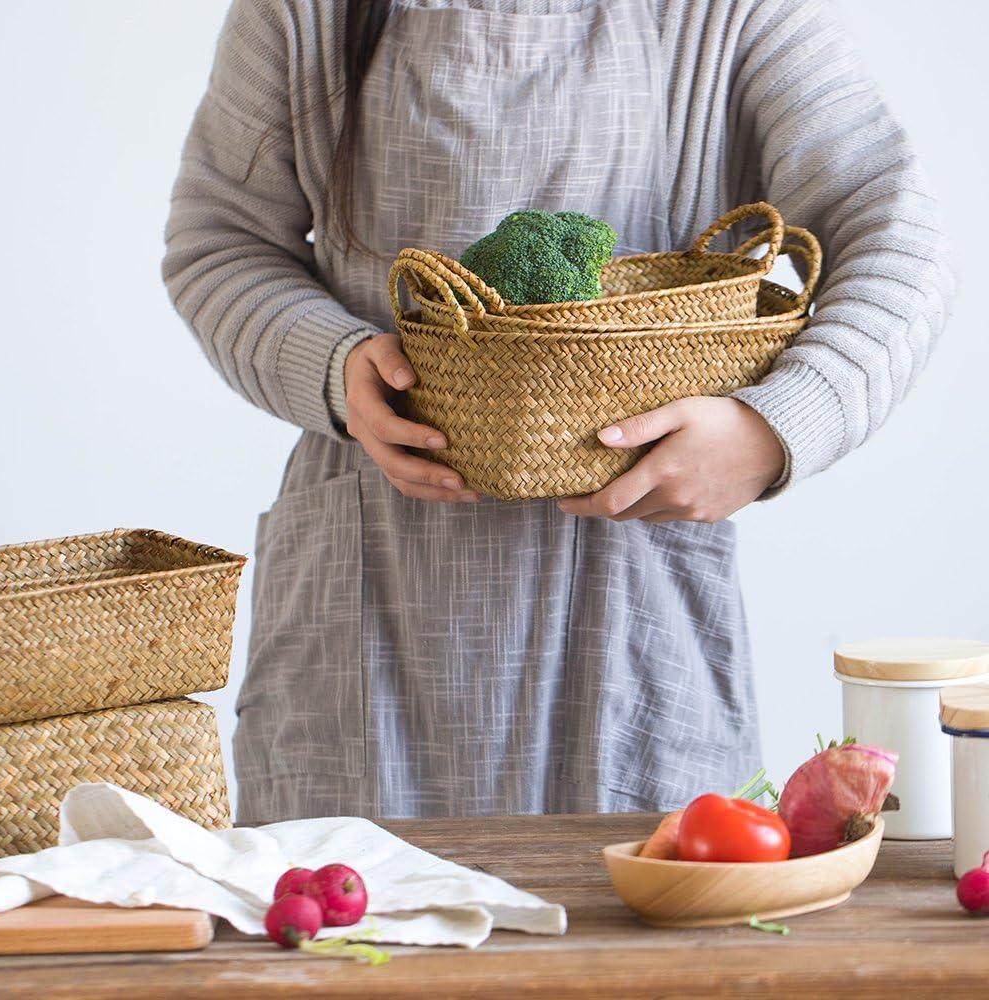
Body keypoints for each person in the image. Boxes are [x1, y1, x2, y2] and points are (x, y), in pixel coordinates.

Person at [163, 0, 951, 824]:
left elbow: (898, 236)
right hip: (372, 578)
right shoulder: (301, 13)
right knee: (351, 923)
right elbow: (219, 241)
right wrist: (335, 364)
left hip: (638, 582)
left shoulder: (736, 12)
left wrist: (776, 425)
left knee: (642, 925)